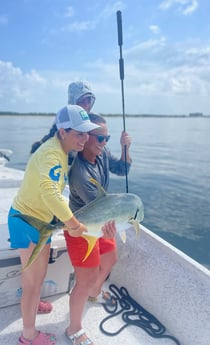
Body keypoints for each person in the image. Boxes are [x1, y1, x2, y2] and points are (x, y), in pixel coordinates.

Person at [7, 105, 101, 345]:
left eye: (87, 132)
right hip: (28, 222)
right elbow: (51, 193)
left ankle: (33, 302)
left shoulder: (60, 150)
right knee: (32, 281)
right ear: (62, 131)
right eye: (79, 133)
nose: (86, 139)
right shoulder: (51, 154)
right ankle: (28, 336)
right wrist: (73, 224)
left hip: (41, 221)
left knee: (37, 277)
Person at [64, 112, 132, 345]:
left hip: (103, 222)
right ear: (85, 138)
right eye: (100, 138)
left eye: (108, 138)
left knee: (111, 257)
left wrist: (125, 149)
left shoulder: (102, 153)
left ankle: (94, 292)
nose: (104, 143)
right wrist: (117, 220)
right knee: (85, 279)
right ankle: (73, 329)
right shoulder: (80, 173)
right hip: (82, 228)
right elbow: (99, 210)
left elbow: (122, 170)